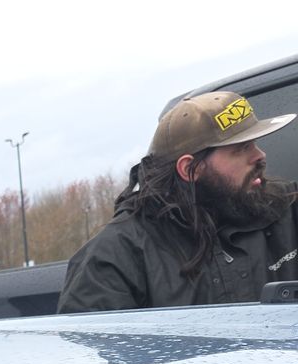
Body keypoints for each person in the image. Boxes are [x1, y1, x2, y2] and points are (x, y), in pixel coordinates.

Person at [59, 91, 298, 312]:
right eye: (241, 148)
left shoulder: (287, 206)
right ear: (189, 169)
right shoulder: (114, 259)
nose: (260, 156)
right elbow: (94, 354)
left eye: (255, 144)